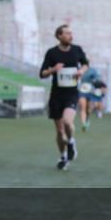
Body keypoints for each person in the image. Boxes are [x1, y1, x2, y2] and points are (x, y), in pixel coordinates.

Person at [39, 24, 88, 171]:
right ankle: (63, 156)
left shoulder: (77, 50)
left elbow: (86, 64)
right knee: (60, 131)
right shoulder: (52, 53)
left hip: (71, 93)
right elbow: (42, 73)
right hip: (56, 95)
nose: (70, 36)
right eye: (67, 33)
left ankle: (71, 142)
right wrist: (53, 69)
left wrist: (81, 71)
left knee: (67, 121)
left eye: (71, 33)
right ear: (59, 36)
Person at [78, 66, 98, 132]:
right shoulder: (79, 69)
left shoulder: (93, 70)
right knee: (82, 107)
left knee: (89, 108)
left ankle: (87, 119)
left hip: (90, 91)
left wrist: (94, 79)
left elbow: (96, 80)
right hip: (82, 91)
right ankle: (83, 124)